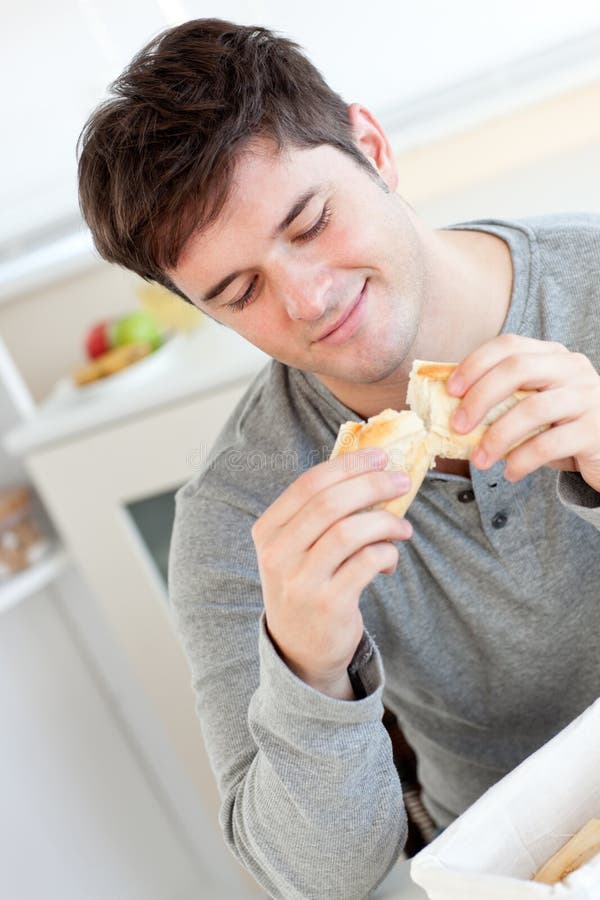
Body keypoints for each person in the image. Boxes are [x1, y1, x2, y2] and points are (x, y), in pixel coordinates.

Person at [77, 18, 600, 900]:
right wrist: (309, 667)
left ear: (372, 147)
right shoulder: (238, 515)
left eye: (312, 222)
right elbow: (320, 884)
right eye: (241, 292)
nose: (310, 300)